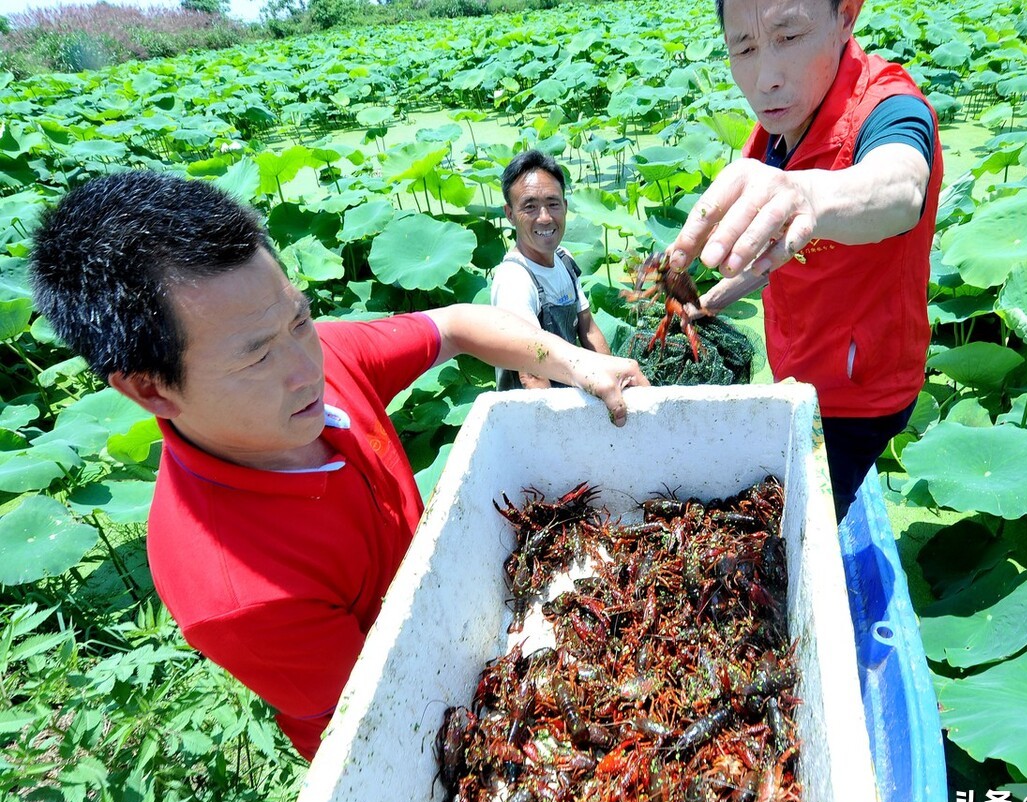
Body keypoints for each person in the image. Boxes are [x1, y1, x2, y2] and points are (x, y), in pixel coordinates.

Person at [29, 171, 647, 761]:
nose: (306, 367)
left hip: (465, 604)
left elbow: (456, 325)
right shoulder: (239, 596)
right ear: (150, 389)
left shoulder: (310, 355)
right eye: (254, 359)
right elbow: (396, 717)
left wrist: (573, 362)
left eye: (298, 319)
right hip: (405, 721)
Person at [670, 0, 943, 521]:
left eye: (789, 37)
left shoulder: (890, 109)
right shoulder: (779, 124)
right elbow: (776, 253)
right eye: (744, 49)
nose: (766, 78)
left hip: (858, 394)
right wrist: (709, 301)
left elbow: (903, 184)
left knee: (798, 523)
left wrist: (808, 197)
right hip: (797, 368)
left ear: (846, 15)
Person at [490, 149, 611, 390]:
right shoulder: (514, 280)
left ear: (565, 206)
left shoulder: (563, 259)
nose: (545, 218)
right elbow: (531, 373)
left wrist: (613, 379)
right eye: (530, 207)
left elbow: (588, 329)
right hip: (532, 410)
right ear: (510, 214)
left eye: (552, 204)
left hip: (567, 390)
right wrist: (558, 425)